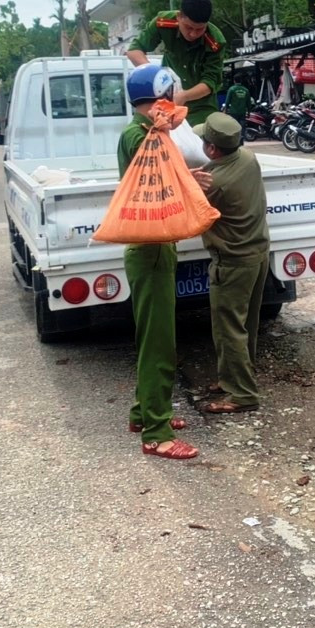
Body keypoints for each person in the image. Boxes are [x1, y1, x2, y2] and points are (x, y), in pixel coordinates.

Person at [118, 63, 198, 460]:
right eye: (172, 95)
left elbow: (160, 182)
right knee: (159, 342)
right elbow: (160, 183)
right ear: (159, 97)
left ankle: (143, 412)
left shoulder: (144, 133)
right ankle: (156, 432)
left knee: (153, 337)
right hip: (150, 248)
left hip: (154, 243)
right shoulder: (143, 135)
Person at [189, 113, 270, 415]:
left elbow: (184, 205)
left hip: (233, 261)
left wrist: (186, 180)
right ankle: (233, 379)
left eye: (203, 143)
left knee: (228, 329)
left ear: (212, 150)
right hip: (257, 253)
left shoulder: (214, 183)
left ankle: (242, 395)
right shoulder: (247, 158)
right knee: (245, 324)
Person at [126, 0, 225, 126]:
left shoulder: (215, 42)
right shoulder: (163, 23)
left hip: (201, 108)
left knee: (200, 142)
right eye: (188, 27)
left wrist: (184, 96)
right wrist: (157, 76)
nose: (193, 34)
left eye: (199, 29)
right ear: (179, 17)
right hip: (167, 104)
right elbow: (134, 50)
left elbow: (210, 82)